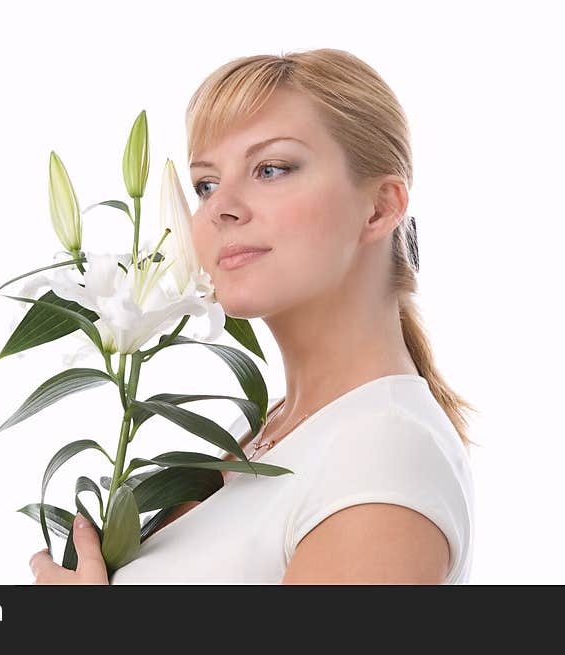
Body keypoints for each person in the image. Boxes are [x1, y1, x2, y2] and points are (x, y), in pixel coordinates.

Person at [29, 48, 478, 585]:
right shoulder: (267, 430)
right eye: (205, 184)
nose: (221, 207)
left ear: (380, 208)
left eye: (271, 168)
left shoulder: (383, 456)